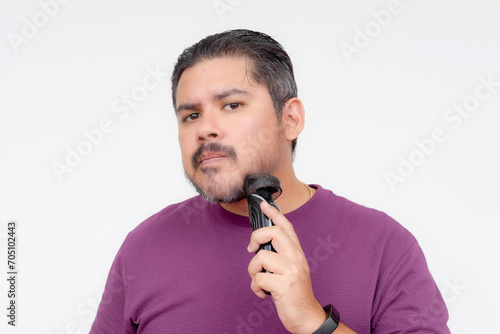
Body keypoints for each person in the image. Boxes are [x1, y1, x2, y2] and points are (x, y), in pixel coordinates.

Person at [90, 29, 450, 333]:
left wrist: (312, 319)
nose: (205, 129)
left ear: (290, 118)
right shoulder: (143, 248)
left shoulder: (385, 245)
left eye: (231, 105)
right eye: (191, 115)